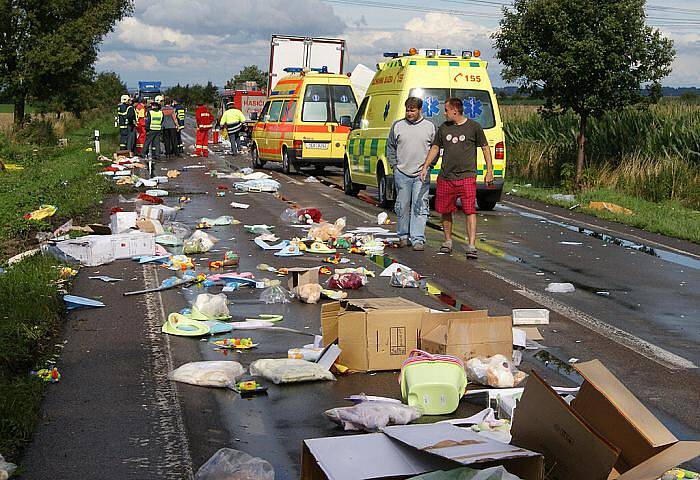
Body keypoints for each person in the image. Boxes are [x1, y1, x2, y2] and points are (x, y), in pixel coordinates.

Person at [419, 97, 494, 259]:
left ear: (455, 110)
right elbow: (436, 147)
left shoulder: (474, 127)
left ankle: (471, 246)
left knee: (469, 210)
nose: (444, 113)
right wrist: (425, 166)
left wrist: (490, 170)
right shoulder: (443, 128)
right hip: (446, 177)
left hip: (467, 176)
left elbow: (485, 148)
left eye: (446, 110)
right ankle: (447, 241)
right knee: (445, 210)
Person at [386, 97, 435, 251]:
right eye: (407, 110)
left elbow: (435, 149)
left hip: (421, 173)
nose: (409, 113)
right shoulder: (398, 126)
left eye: (412, 110)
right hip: (402, 172)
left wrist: (429, 166)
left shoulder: (430, 127)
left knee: (419, 206)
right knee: (402, 205)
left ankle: (418, 238)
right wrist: (395, 166)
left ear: (420, 110)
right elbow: (391, 147)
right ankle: (403, 236)